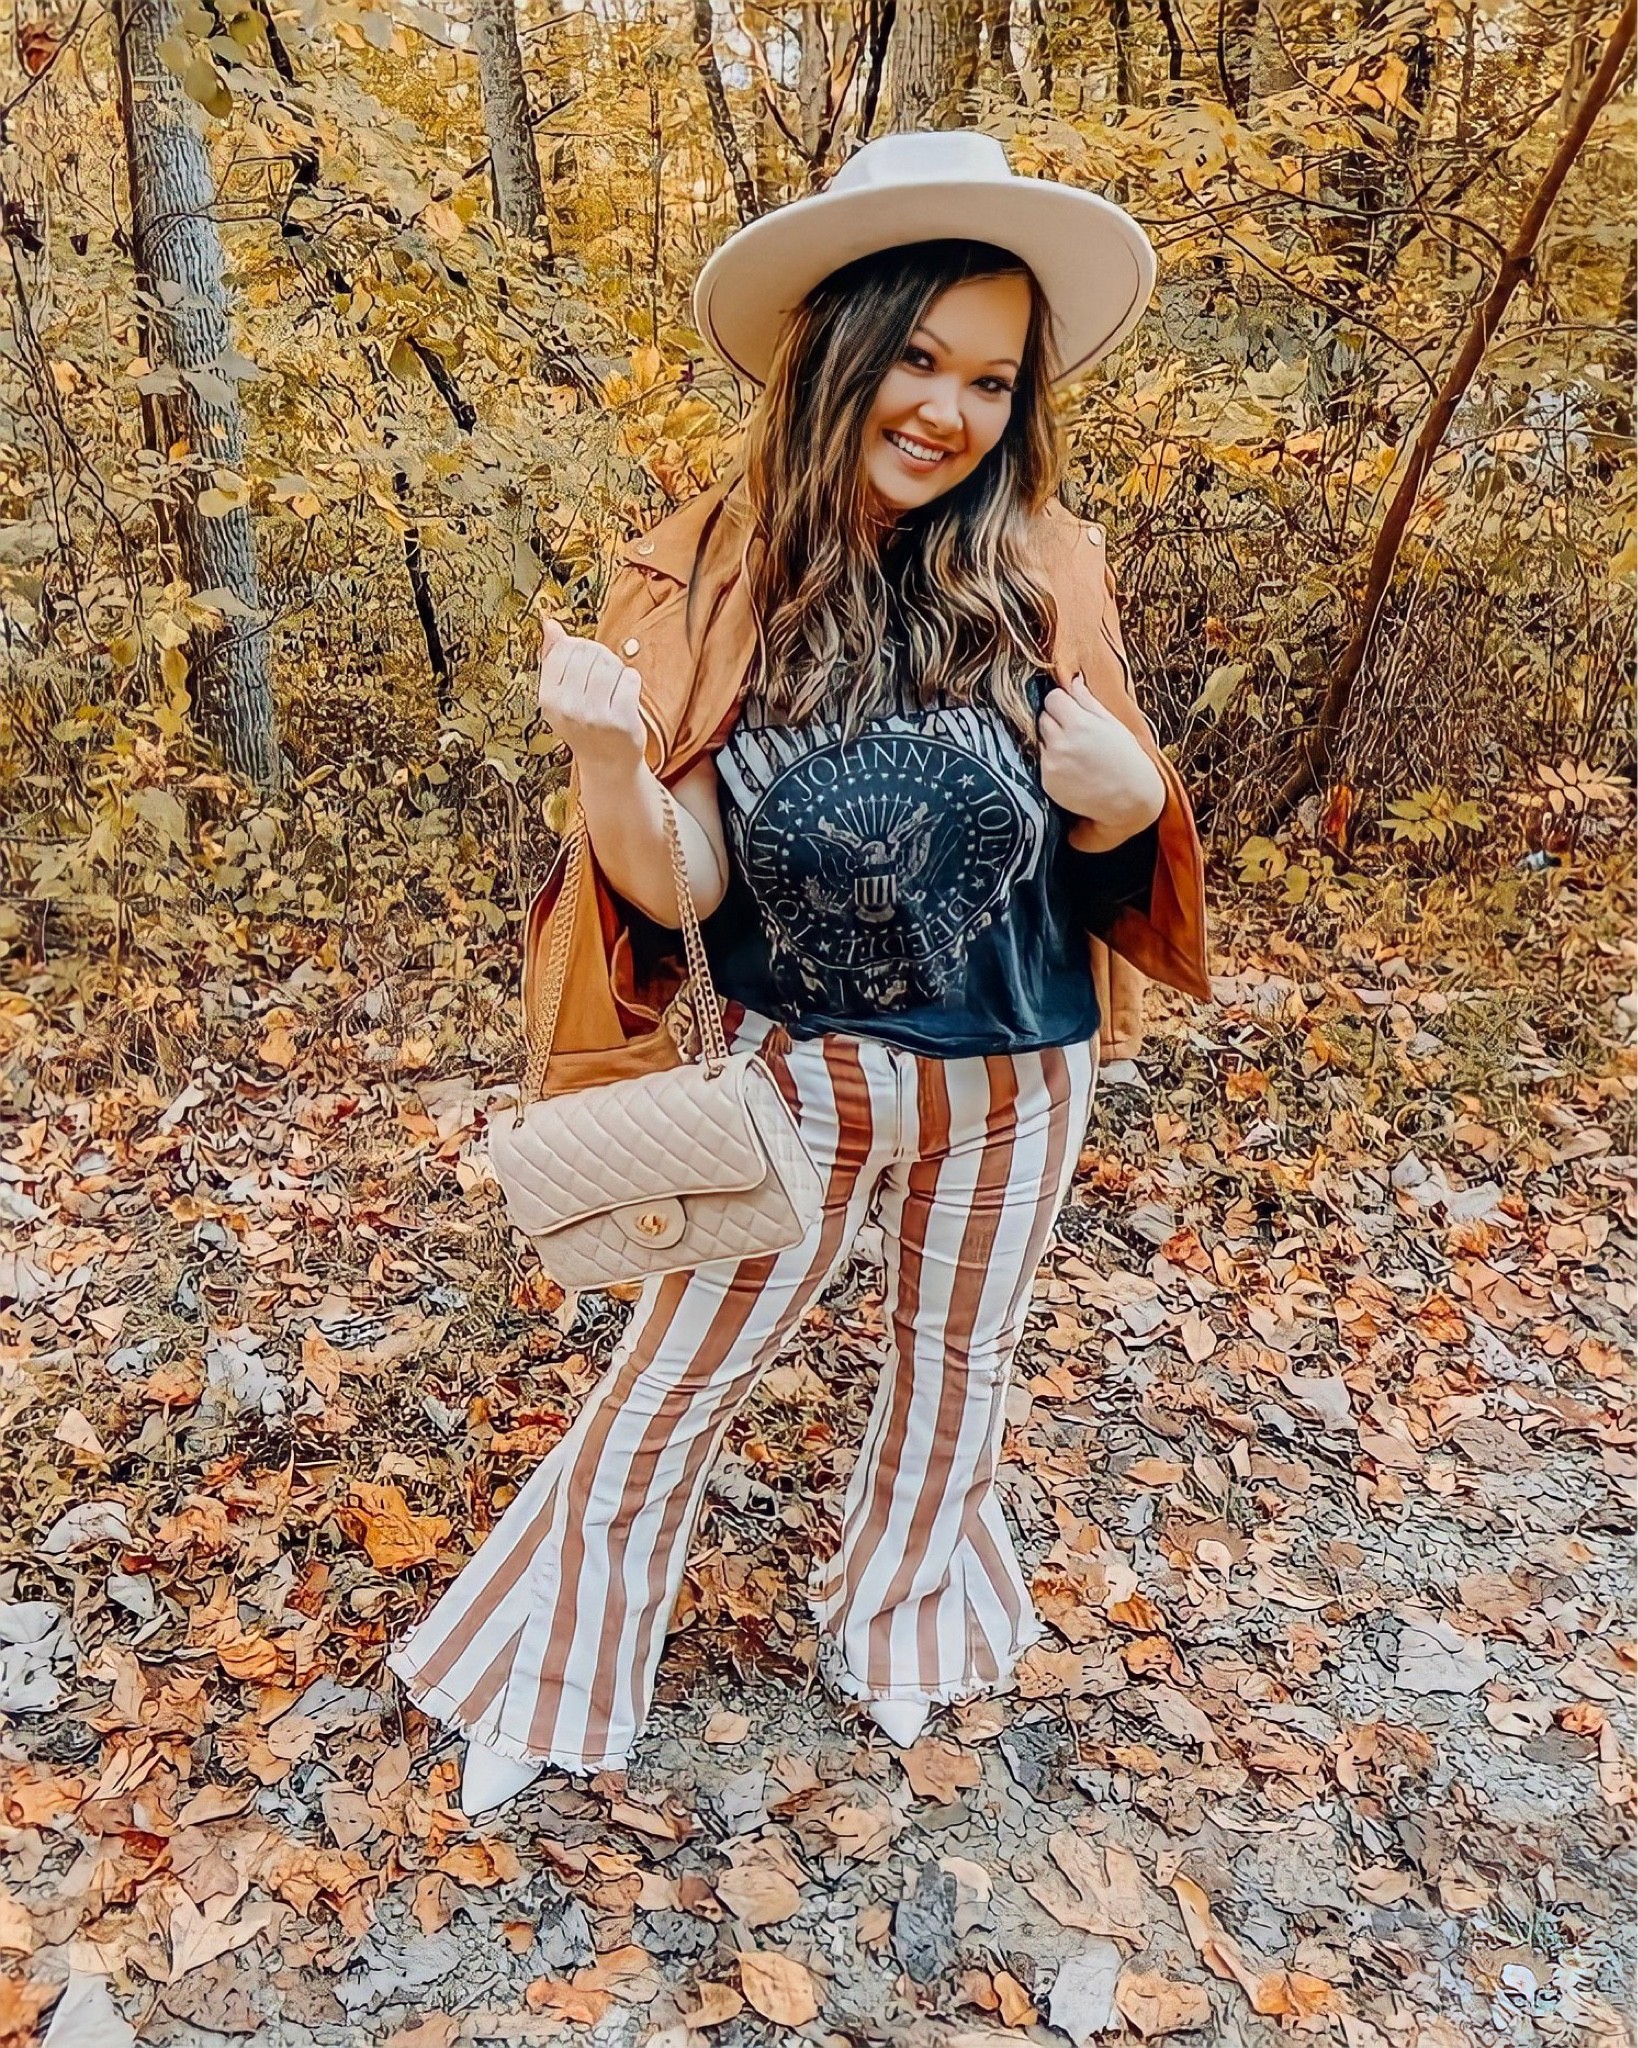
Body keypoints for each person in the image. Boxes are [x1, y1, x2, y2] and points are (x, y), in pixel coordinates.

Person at [387, 131, 1211, 1818]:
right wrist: (610, 765)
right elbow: (676, 880)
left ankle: (905, 1635)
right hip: (798, 1082)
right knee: (674, 1375)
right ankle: (548, 1675)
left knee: (954, 1364)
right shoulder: (699, 572)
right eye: (916, 355)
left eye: (990, 377)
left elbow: (1118, 813)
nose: (948, 409)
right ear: (838, 345)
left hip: (1021, 1070)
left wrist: (1136, 802)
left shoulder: (1050, 560)